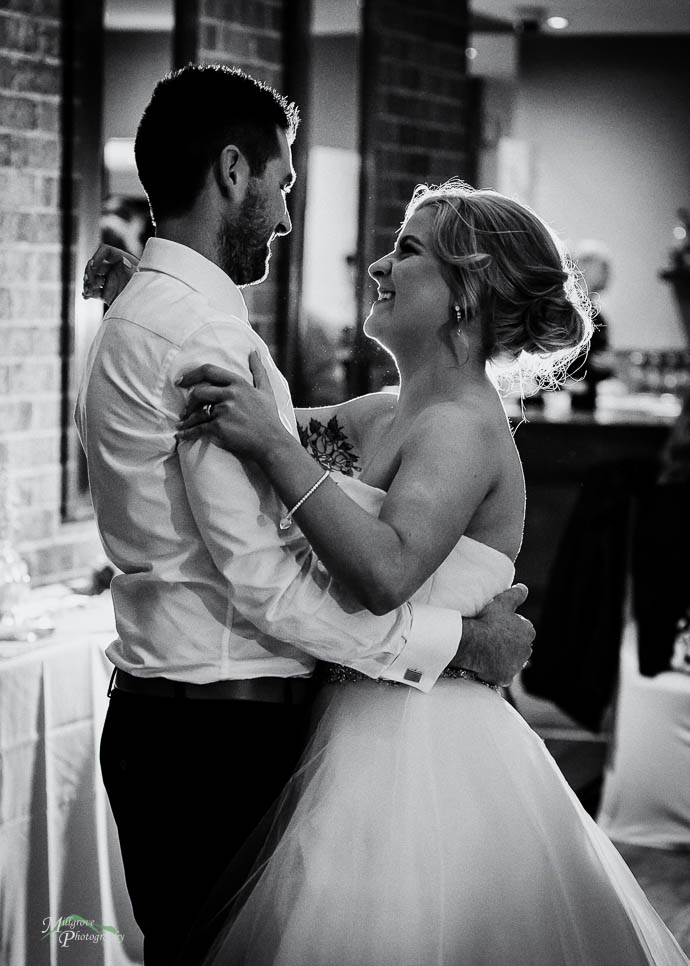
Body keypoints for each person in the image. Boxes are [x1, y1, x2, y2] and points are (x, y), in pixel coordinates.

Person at [77, 65, 534, 966]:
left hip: (321, 735)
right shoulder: (204, 336)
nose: (290, 219)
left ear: (469, 294)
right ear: (236, 171)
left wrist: (144, 286)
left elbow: (293, 462)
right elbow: (270, 581)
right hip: (220, 735)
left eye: (406, 251)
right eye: (283, 185)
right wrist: (458, 644)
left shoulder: (183, 322)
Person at [174, 182, 690, 966]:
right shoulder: (381, 414)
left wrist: (277, 451)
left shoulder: (462, 428)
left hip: (419, 752)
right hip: (344, 718)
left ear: (467, 294)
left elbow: (385, 573)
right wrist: (160, 311)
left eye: (407, 250)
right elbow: (253, 406)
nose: (380, 264)